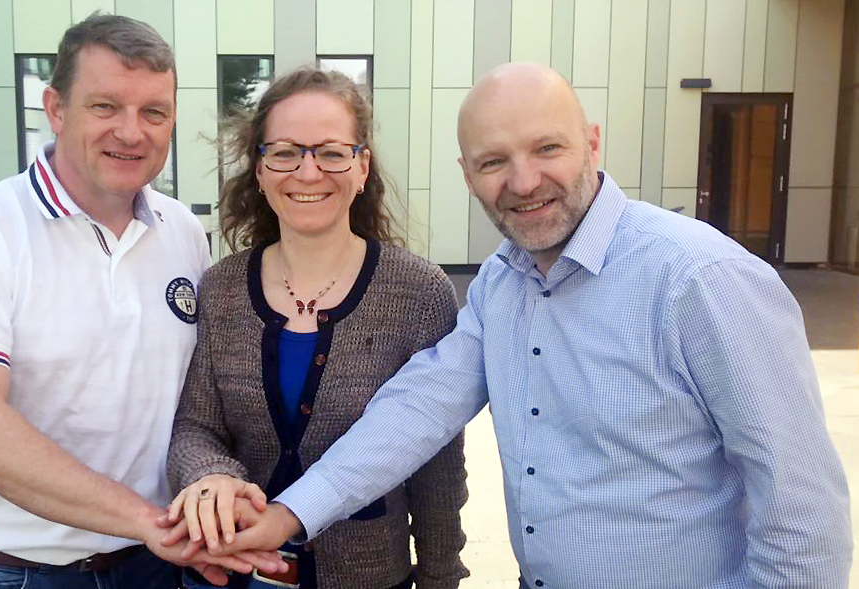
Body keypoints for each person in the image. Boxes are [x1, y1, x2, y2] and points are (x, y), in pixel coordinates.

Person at [194, 62, 854, 588]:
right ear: (467, 176)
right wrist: (288, 514)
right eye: (493, 161)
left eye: (547, 148)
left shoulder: (701, 279)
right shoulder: (502, 285)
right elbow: (413, 412)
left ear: (591, 142)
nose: (524, 180)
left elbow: (801, 509)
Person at [0, 13, 282, 589]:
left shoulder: (183, 232)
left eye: (154, 112)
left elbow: (198, 404)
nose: (131, 133)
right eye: (105, 106)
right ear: (56, 109)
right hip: (19, 572)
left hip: (157, 561)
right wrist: (148, 523)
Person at [164, 66, 470, 589]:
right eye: (285, 152)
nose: (308, 172)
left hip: (370, 578)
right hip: (234, 574)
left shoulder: (418, 293)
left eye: (331, 152)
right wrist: (211, 476)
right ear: (260, 170)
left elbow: (436, 466)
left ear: (362, 167)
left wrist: (440, 579)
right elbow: (196, 426)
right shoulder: (221, 289)